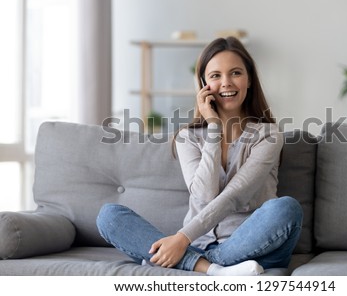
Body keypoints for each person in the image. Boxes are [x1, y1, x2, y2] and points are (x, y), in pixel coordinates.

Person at [96, 37, 303, 275]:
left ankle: (188, 263)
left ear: (249, 81)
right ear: (204, 84)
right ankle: (213, 270)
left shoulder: (268, 135)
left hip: (251, 248)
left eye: (235, 73)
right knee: (109, 216)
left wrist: (181, 240)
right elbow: (205, 195)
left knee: (286, 208)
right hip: (200, 243)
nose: (226, 83)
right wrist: (214, 127)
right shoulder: (188, 137)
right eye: (215, 76)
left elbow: (235, 196)